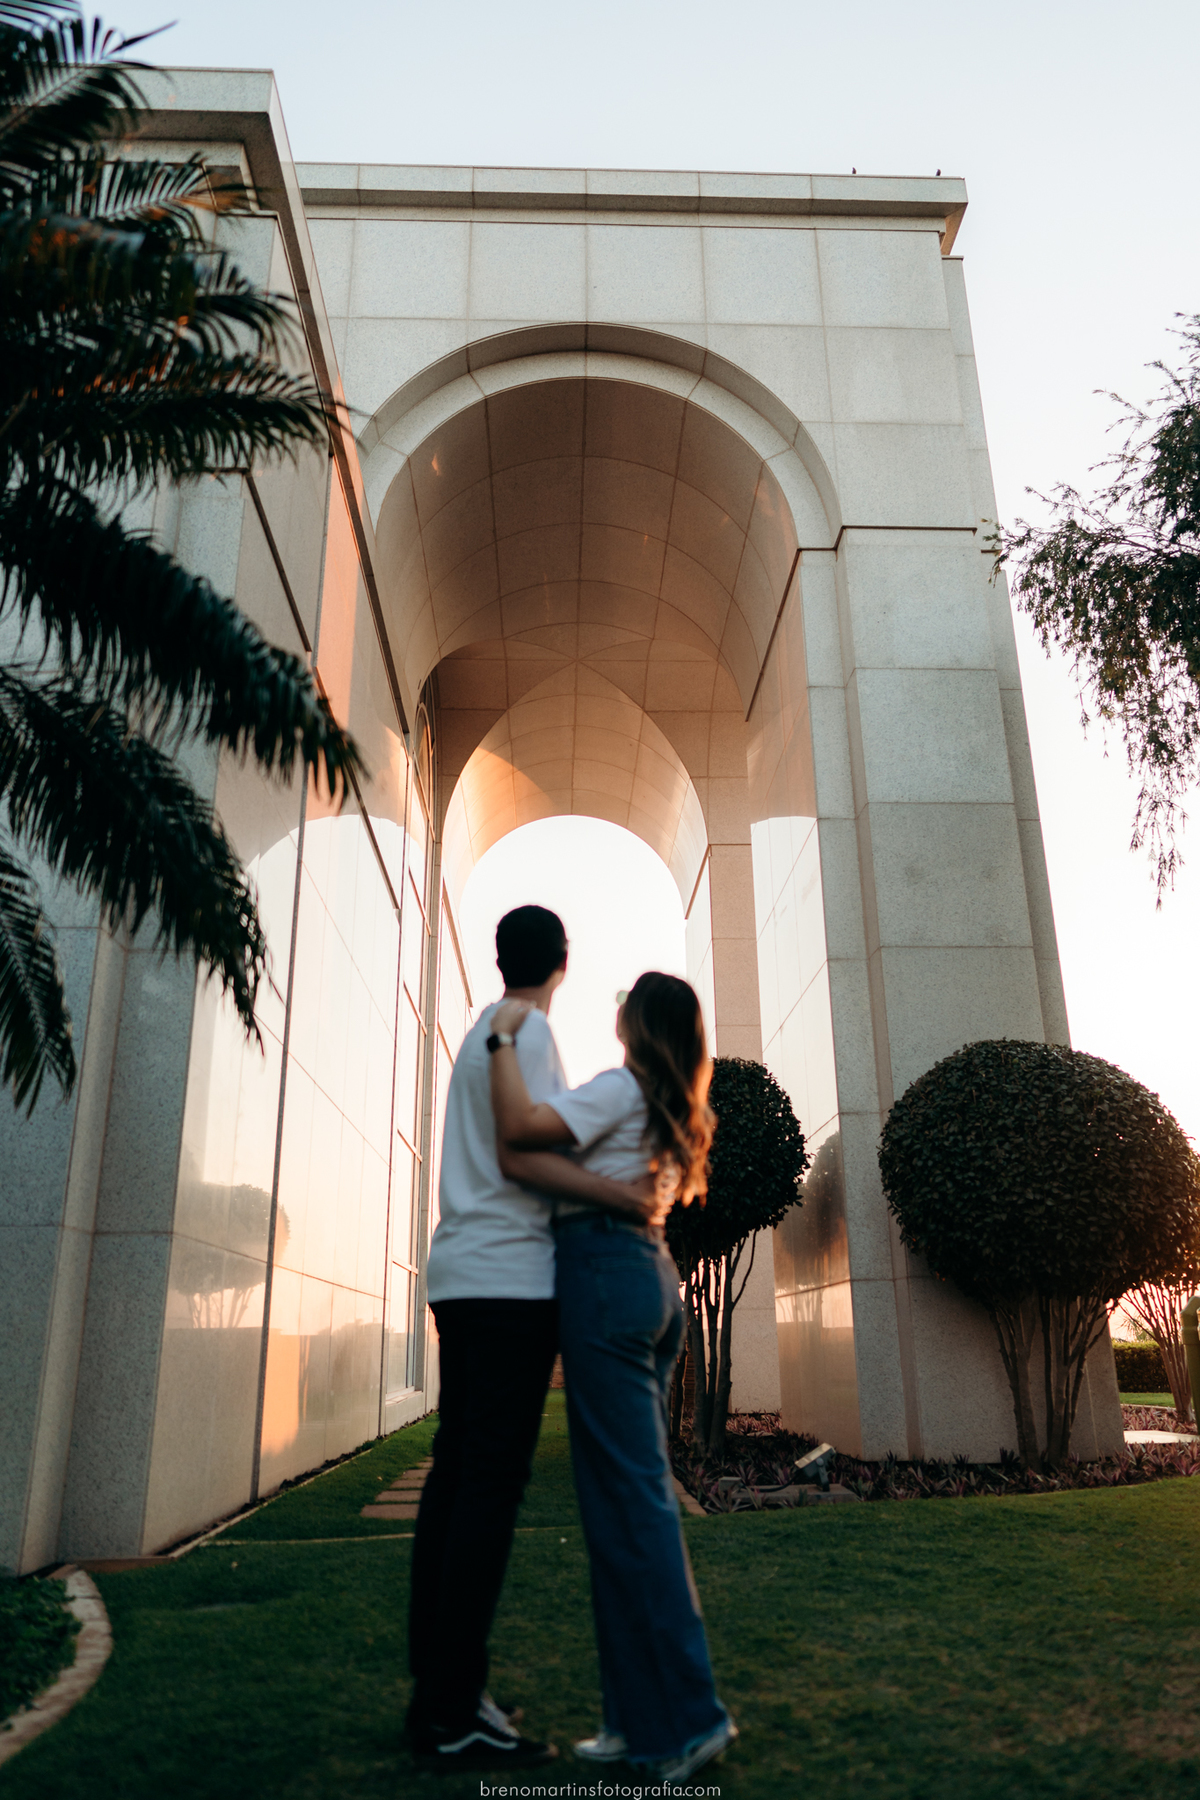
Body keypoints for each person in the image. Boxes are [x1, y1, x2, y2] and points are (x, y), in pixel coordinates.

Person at [407, 906, 669, 1770]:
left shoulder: (482, 1030)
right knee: (488, 1486)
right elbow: (528, 1157)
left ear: (498, 959)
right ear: (562, 961)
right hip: (512, 1282)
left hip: (456, 1274)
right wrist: (625, 1198)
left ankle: (438, 1694)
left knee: (454, 1484)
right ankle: (453, 1710)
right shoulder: (534, 1035)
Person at [488, 970, 737, 1782]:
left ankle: (686, 1722)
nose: (616, 1004)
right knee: (620, 1507)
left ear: (640, 1023)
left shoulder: (618, 1089)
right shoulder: (668, 1105)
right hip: (646, 1277)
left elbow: (520, 1130)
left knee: (634, 1507)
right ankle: (634, 1719)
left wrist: (499, 1036)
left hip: (604, 1272)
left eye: (627, 998)